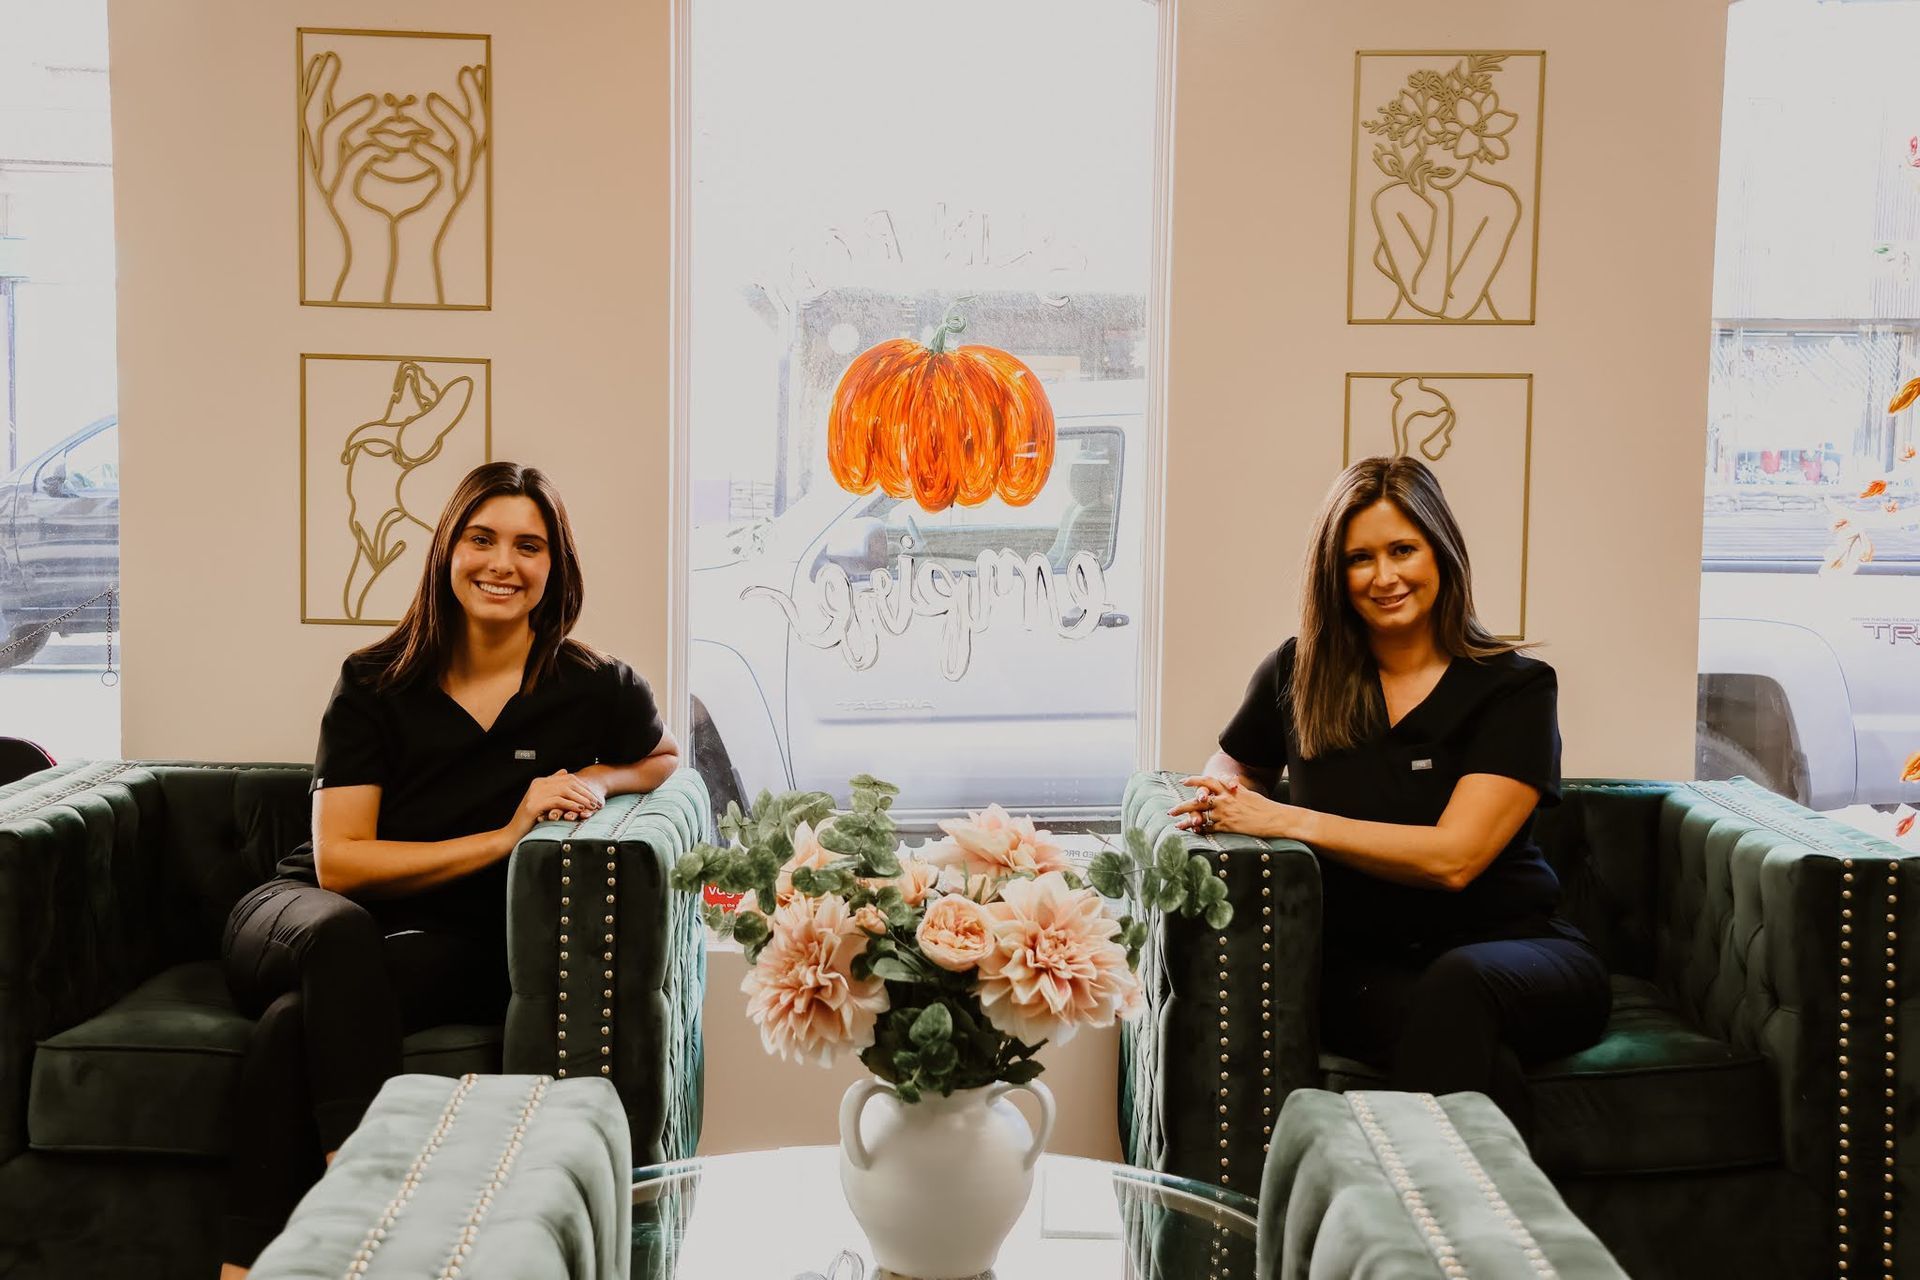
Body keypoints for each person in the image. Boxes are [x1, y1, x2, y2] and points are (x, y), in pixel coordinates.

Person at [216, 462, 680, 1277]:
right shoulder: (375, 680)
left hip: (442, 944)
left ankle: (244, 1265)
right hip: (300, 912)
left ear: (554, 567)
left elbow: (662, 758)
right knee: (337, 937)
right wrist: (505, 837)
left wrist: (593, 779)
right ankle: (363, 1201)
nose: (503, 563)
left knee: (293, 1028)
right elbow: (341, 865)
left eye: (528, 546)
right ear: (447, 551)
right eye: (482, 538)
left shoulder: (592, 686)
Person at [1169, 454, 1608, 1137]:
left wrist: (1287, 818)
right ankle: (1485, 1237)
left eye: (1403, 549)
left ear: (1442, 550)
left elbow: (1454, 859)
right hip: (1366, 972)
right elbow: (1227, 776)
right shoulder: (1298, 672)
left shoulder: (1515, 690)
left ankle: (1401, 1232)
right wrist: (1226, 802)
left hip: (1522, 955)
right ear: (1333, 574)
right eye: (1358, 558)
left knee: (1460, 989)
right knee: (1472, 1054)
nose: (1384, 577)